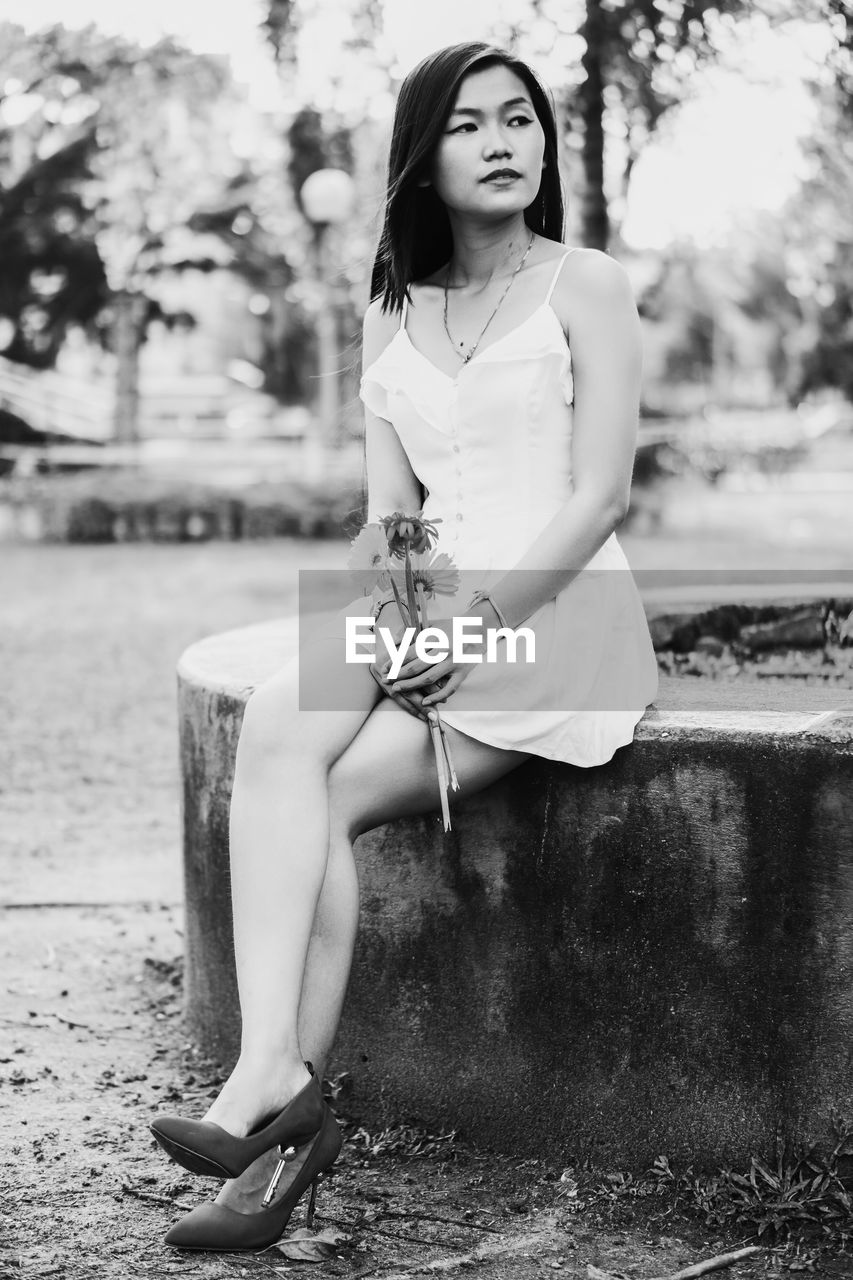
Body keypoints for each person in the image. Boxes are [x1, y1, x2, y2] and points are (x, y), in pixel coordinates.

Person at [149, 40, 659, 1252]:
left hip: (557, 607)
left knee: (317, 798)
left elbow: (598, 500)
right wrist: (393, 598)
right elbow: (392, 512)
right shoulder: (394, 305)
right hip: (422, 599)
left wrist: (471, 629)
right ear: (422, 156)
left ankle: (272, 1116)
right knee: (278, 726)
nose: (505, 142)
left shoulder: (585, 283)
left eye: (521, 120)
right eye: (473, 124)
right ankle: (275, 1081)